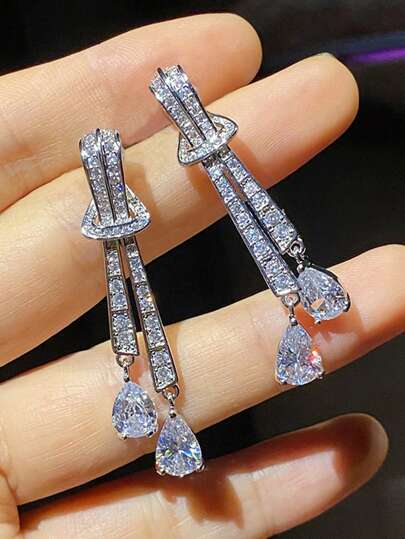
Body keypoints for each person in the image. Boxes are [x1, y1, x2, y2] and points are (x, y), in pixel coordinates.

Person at [0, 13, 401, 538]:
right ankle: (278, 311)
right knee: (149, 294)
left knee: (259, 238)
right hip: (161, 184)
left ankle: (295, 297)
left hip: (197, 157)